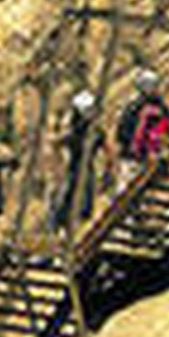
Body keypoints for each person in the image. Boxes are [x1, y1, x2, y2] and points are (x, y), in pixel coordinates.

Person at [53, 90, 106, 233]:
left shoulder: (90, 130)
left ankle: (69, 225)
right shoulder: (80, 130)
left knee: (78, 196)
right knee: (70, 195)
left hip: (82, 167)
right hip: (77, 166)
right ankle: (64, 225)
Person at [114, 69, 169, 189]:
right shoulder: (133, 107)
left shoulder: (160, 109)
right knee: (125, 189)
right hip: (132, 157)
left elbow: (165, 132)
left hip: (148, 158)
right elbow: (123, 131)